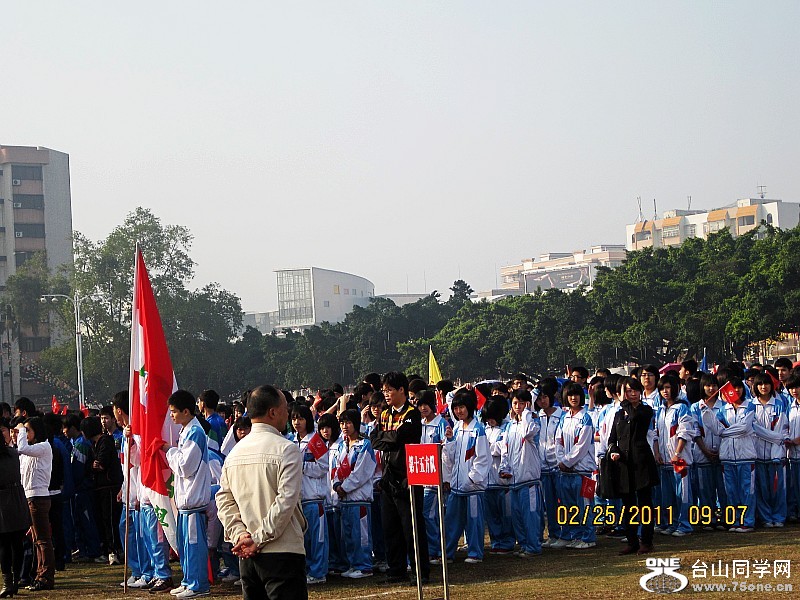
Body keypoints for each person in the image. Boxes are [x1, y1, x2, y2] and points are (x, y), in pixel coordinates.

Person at [216, 385, 308, 600]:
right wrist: (257, 539)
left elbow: (224, 501)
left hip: (248, 556)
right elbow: (285, 502)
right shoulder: (286, 449)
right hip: (281, 551)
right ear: (273, 412)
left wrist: (240, 534)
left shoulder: (235, 453)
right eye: (285, 408)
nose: (288, 413)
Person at [369, 371, 430, 585]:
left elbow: (400, 438)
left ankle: (420, 572)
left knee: (411, 527)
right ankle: (396, 570)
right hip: (388, 477)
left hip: (407, 477)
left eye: (389, 390)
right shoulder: (385, 414)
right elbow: (374, 438)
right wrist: (386, 438)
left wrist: (384, 438)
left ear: (401, 390)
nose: (386, 394)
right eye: (384, 390)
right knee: (390, 528)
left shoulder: (412, 413)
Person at [162, 390, 212, 599]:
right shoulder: (186, 431)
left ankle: (198, 585)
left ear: (186, 411)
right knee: (185, 546)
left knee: (194, 546)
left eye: (174, 411)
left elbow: (185, 467)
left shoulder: (195, 433)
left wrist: (169, 450)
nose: (171, 415)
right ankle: (188, 580)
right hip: (185, 502)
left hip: (194, 501)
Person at [608, 377, 659, 556]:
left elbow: (636, 417)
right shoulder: (618, 414)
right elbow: (612, 439)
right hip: (624, 464)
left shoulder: (645, 410)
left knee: (645, 503)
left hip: (641, 462)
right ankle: (631, 541)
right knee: (628, 504)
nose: (633, 394)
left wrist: (624, 402)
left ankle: (647, 541)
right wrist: (613, 451)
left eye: (636, 390)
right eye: (629, 391)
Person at [701, 376, 756, 532]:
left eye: (739, 387)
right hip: (727, 457)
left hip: (746, 456)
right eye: (733, 388)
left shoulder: (749, 406)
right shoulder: (723, 410)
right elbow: (716, 429)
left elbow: (744, 428)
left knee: (747, 490)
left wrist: (725, 432)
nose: (736, 390)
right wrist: (705, 412)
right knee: (731, 491)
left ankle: (747, 521)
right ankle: (735, 520)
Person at [442, 387, 490, 564]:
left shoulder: (478, 430)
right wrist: (449, 440)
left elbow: (482, 457)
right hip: (456, 485)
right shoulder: (456, 428)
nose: (458, 411)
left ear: (469, 407)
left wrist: (472, 478)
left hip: (472, 487)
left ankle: (475, 553)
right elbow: (451, 457)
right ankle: (448, 553)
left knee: (474, 521)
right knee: (452, 521)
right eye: (455, 408)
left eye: (461, 407)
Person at [330, 410, 376, 579]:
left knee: (361, 535)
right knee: (348, 536)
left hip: (359, 498)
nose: (345, 426)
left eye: (348, 422)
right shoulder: (341, 446)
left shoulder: (364, 445)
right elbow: (335, 468)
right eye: (342, 423)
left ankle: (364, 566)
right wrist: (336, 484)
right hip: (344, 500)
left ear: (356, 424)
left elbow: (361, 472)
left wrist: (345, 487)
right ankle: (353, 564)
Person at [499, 388, 543, 556]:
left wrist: (527, 413)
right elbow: (505, 450)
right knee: (517, 516)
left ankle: (533, 546)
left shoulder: (533, 423)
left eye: (522, 403)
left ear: (528, 404)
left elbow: (527, 432)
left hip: (528, 478)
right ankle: (524, 544)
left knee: (530, 515)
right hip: (513, 480)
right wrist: (504, 468)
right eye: (515, 403)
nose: (518, 406)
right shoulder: (510, 426)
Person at [15, 417, 56, 590]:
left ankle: (46, 576)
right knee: (37, 540)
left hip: (38, 498)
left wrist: (20, 431)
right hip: (30, 497)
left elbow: (22, 448)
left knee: (43, 539)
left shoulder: (44, 446)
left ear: (36, 431)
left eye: (28, 430)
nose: (24, 434)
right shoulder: (31, 451)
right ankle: (39, 574)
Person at [553, 383, 596, 549]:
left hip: (582, 471)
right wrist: (561, 461)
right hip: (566, 472)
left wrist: (567, 462)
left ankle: (588, 537)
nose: (573, 398)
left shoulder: (586, 418)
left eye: (576, 394)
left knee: (585, 506)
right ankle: (575, 535)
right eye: (570, 395)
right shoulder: (564, 418)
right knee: (569, 506)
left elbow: (582, 446)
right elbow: (558, 441)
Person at [290, 404, 328, 585]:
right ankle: (307, 569)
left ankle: (318, 572)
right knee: (304, 539)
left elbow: (323, 466)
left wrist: (302, 466)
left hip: (314, 497)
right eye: (293, 419)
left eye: (301, 418)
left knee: (317, 539)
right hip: (299, 499)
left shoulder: (315, 441)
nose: (296, 422)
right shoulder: (292, 441)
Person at [81, 416, 123, 566]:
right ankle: (109, 549)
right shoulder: (95, 444)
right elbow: (91, 465)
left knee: (110, 520)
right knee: (103, 520)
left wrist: (94, 465)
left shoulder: (105, 442)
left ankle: (114, 551)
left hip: (109, 487)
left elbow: (100, 464)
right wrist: (92, 465)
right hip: (100, 487)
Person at [0, 418, 30, 597]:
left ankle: (7, 582)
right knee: (16, 543)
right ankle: (15, 580)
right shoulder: (13, 453)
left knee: (4, 544)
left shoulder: (11, 454)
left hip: (3, 500)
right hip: (17, 498)